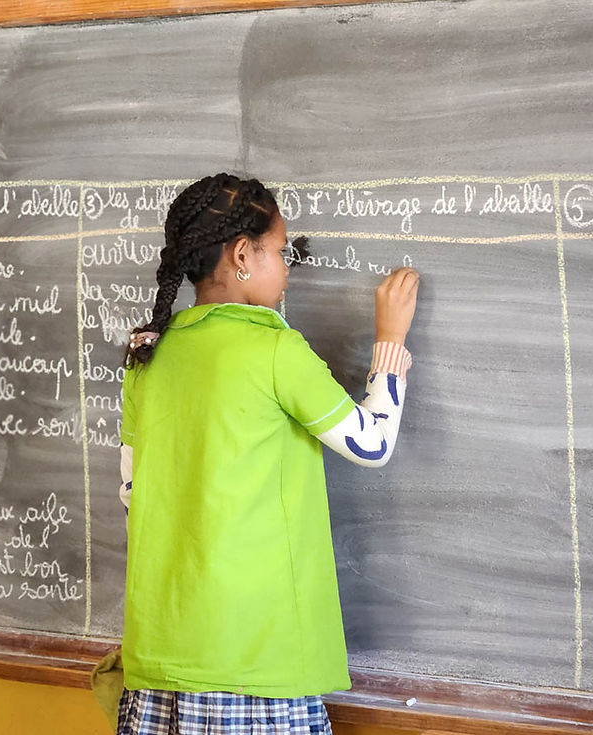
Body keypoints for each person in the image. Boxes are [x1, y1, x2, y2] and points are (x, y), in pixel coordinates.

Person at [116, 173, 419, 735]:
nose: (287, 266)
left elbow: (133, 498)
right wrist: (391, 339)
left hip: (160, 654)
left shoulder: (147, 357)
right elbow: (372, 442)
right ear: (241, 255)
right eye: (281, 251)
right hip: (252, 657)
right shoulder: (275, 347)